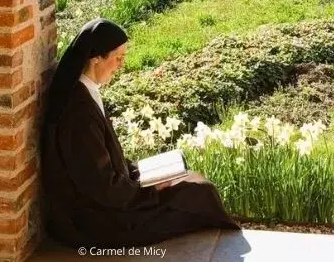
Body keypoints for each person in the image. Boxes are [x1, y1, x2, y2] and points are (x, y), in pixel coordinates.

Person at [39, 18, 240, 249]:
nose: (122, 65)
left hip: (105, 200)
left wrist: (139, 172)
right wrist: (150, 192)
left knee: (192, 184)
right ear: (96, 59)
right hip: (93, 220)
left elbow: (99, 162)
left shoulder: (84, 92)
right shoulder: (78, 110)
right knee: (199, 193)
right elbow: (98, 184)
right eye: (118, 58)